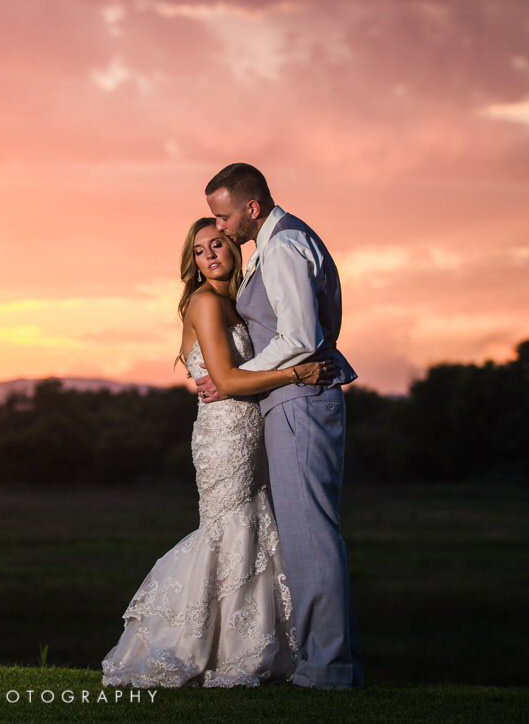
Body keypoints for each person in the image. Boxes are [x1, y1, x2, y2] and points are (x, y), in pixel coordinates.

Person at [101, 218, 335, 689]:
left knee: (252, 526)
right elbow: (226, 382)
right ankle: (195, 644)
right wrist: (297, 375)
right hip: (224, 435)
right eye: (200, 249)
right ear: (193, 260)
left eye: (218, 243)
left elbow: (235, 374)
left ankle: (250, 645)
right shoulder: (206, 302)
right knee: (228, 527)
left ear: (233, 246)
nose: (210, 254)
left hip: (252, 426)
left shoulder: (238, 303)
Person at [200, 162, 363, 689]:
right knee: (306, 534)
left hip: (300, 399)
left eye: (223, 217)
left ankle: (327, 669)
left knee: (310, 536)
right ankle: (327, 662)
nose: (219, 228)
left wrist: (230, 378)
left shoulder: (286, 247)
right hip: (294, 399)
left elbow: (298, 335)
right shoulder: (278, 245)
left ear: (251, 207)